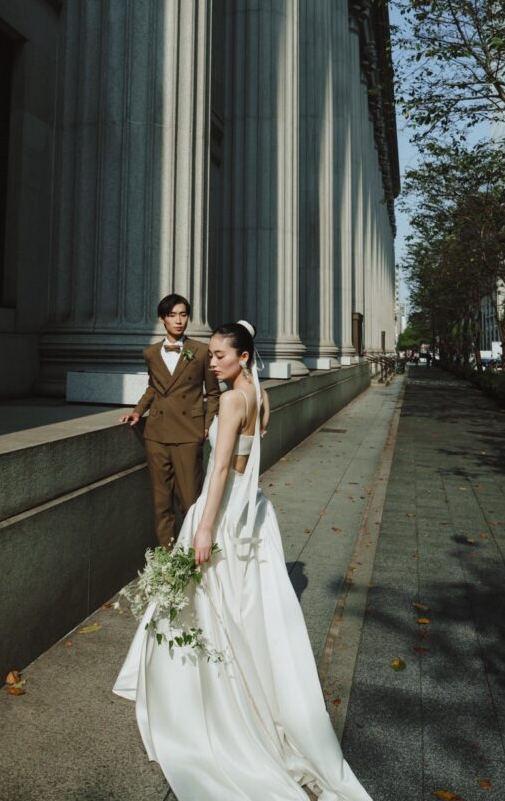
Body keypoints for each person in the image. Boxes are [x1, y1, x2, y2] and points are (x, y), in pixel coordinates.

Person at [114, 320, 373, 801]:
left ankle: (201, 699)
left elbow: (218, 470)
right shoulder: (259, 393)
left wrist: (206, 526)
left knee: (209, 604)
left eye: (218, 356)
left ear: (244, 357)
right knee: (236, 606)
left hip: (226, 508)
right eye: (209, 355)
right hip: (252, 507)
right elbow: (248, 459)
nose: (210, 362)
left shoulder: (233, 400)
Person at [119, 293, 220, 547]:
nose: (179, 320)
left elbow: (214, 392)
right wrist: (137, 411)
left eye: (183, 314)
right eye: (173, 315)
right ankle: (168, 558)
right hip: (156, 434)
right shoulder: (151, 353)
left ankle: (192, 557)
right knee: (161, 501)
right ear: (162, 319)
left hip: (189, 433)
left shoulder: (201, 351)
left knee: (190, 500)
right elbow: (154, 387)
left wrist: (207, 424)